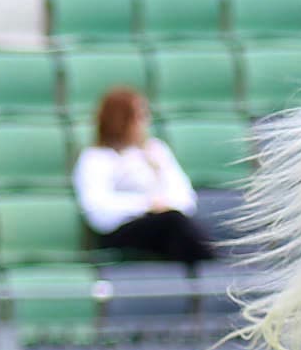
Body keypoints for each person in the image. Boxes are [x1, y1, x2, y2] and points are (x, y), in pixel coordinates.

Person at [71, 87, 216, 263]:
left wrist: (163, 203)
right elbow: (98, 210)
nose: (145, 122)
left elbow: (185, 197)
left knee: (179, 224)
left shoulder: (156, 150)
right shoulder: (95, 158)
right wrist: (146, 205)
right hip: (122, 231)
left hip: (164, 224)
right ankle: (212, 266)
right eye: (139, 116)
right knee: (174, 223)